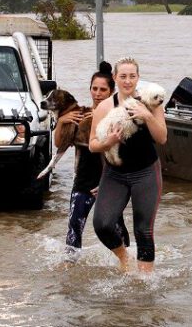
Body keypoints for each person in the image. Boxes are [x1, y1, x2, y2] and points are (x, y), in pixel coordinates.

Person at [89, 57, 167, 273]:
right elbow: (92, 145)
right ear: (115, 78)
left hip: (146, 172)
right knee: (102, 224)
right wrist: (110, 141)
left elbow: (162, 138)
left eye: (132, 76)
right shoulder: (105, 106)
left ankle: (145, 282)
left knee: (143, 229)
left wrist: (147, 116)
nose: (127, 81)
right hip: (115, 174)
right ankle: (125, 258)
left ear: (138, 78)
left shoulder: (151, 101)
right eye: (122, 76)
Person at [59, 61, 129, 262]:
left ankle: (127, 265)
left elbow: (124, 156)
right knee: (74, 226)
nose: (97, 93)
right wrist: (62, 122)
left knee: (116, 226)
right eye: (94, 89)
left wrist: (109, 183)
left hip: (109, 183)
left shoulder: (119, 117)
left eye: (103, 89)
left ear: (111, 91)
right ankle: (70, 270)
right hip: (82, 181)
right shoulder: (80, 115)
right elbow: (60, 144)